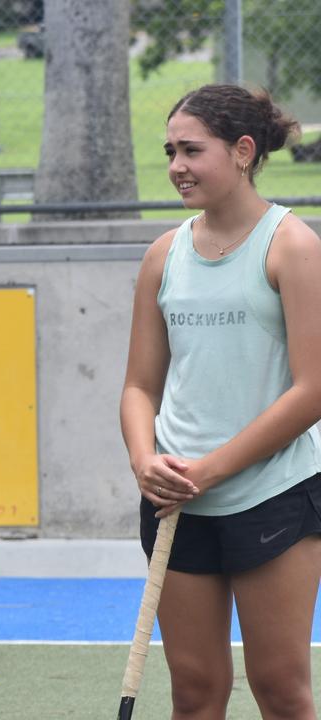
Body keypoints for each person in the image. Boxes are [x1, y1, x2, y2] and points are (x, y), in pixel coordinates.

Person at [120, 84, 321, 719]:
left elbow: (313, 389)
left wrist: (211, 470)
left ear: (242, 151)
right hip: (177, 504)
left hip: (272, 498)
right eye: (170, 150)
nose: (177, 165)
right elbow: (139, 386)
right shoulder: (163, 255)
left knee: (281, 688)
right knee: (197, 693)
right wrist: (143, 459)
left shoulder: (292, 246)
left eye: (192, 150)